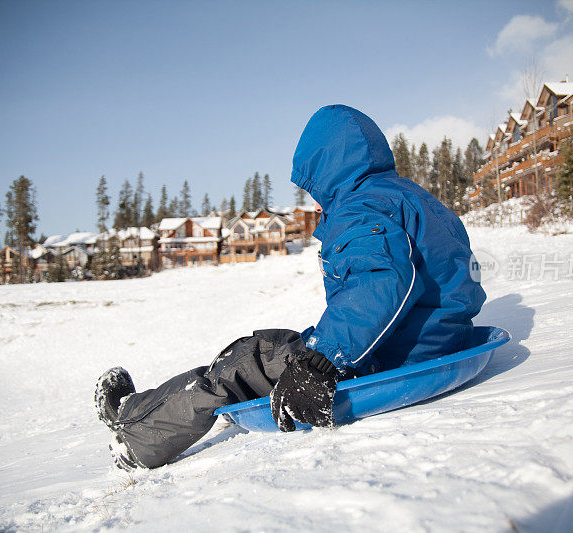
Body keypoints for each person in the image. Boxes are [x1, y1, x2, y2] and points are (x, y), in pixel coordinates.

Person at [95, 104, 486, 470]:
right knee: (281, 346)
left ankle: (135, 436)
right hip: (436, 341)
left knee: (243, 363)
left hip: (387, 356)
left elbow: (380, 281)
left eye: (315, 187)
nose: (315, 201)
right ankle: (145, 413)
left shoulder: (361, 207)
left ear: (330, 169)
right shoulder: (411, 198)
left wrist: (325, 359)